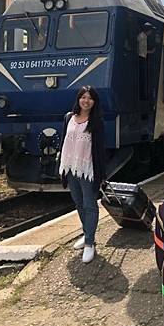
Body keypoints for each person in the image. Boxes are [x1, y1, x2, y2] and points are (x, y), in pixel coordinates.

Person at [59, 85, 106, 264]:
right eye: (83, 97)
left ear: (94, 102)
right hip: (70, 167)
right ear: (78, 99)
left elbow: (100, 150)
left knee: (90, 204)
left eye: (90, 98)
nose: (86, 101)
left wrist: (102, 174)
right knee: (78, 203)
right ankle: (87, 234)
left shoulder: (97, 122)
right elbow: (64, 142)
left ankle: (89, 243)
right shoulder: (68, 118)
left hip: (87, 169)